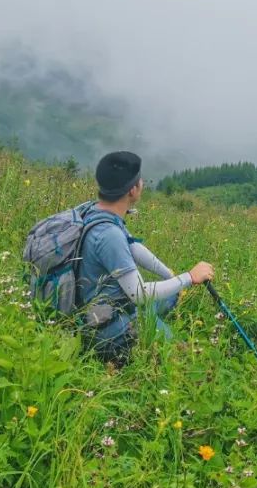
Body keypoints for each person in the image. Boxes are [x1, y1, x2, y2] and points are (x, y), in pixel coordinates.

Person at [77, 151, 214, 363]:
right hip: (106, 322)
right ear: (132, 190)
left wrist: (168, 273)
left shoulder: (97, 211)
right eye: (139, 180)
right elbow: (139, 294)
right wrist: (189, 277)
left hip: (111, 302)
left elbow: (133, 247)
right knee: (183, 358)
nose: (142, 182)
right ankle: (141, 340)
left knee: (172, 294)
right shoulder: (109, 235)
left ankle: (156, 323)